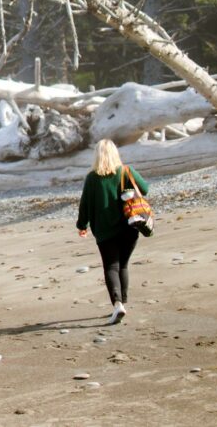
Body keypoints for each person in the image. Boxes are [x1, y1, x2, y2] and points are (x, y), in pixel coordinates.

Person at [76, 139, 149, 324]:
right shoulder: (126, 171)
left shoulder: (92, 178)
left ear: (97, 156)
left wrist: (81, 225)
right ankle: (123, 302)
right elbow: (145, 189)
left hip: (104, 231)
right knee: (122, 265)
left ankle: (118, 305)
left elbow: (84, 205)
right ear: (115, 154)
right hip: (129, 227)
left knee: (111, 267)